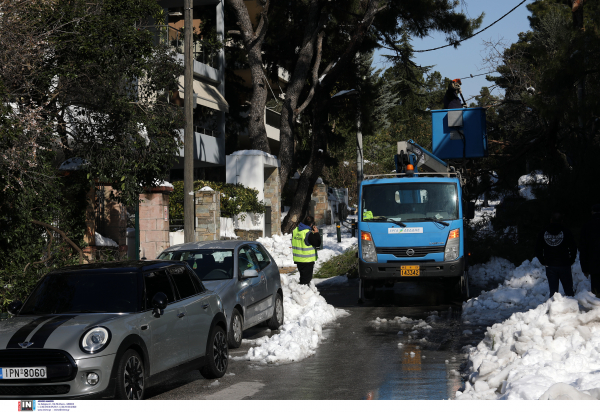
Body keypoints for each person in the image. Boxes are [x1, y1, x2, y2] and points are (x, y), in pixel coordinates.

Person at [535, 212, 577, 297]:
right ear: (562, 221)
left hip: (550, 265)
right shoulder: (567, 232)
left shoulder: (543, 232)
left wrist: (543, 261)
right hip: (564, 264)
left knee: (553, 292)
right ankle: (572, 307)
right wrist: (571, 259)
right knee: (569, 290)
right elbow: (573, 247)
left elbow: (538, 248)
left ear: (551, 220)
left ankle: (554, 308)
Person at [292, 215, 322, 285]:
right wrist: (316, 233)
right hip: (307, 261)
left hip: (298, 260)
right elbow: (317, 243)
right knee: (306, 281)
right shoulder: (308, 233)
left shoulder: (295, 231)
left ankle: (301, 292)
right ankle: (303, 294)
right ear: (311, 224)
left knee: (303, 278)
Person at [579, 204, 600, 296]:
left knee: (596, 290)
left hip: (594, 263)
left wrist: (585, 268)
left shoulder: (587, 226)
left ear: (592, 212)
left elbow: (583, 248)